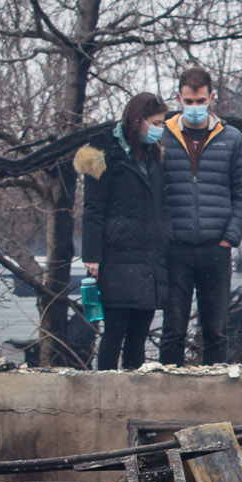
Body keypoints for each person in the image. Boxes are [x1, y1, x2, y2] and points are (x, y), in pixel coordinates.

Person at [158, 64, 242, 365]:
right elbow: (155, 191)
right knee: (173, 330)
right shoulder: (162, 136)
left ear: (212, 98)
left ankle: (215, 397)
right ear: (178, 98)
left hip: (216, 248)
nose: (195, 107)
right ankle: (168, 396)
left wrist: (230, 238)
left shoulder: (232, 138)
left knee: (216, 331)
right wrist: (165, 234)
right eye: (189, 101)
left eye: (201, 101)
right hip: (176, 248)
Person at [74, 92, 171, 370]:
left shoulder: (154, 156)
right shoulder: (103, 152)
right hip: (117, 258)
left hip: (149, 258)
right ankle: (106, 393)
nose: (160, 129)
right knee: (115, 332)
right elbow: (92, 209)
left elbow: (162, 203)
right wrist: (92, 256)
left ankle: (133, 394)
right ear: (138, 121)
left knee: (138, 336)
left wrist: (164, 235)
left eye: (162, 123)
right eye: (156, 122)